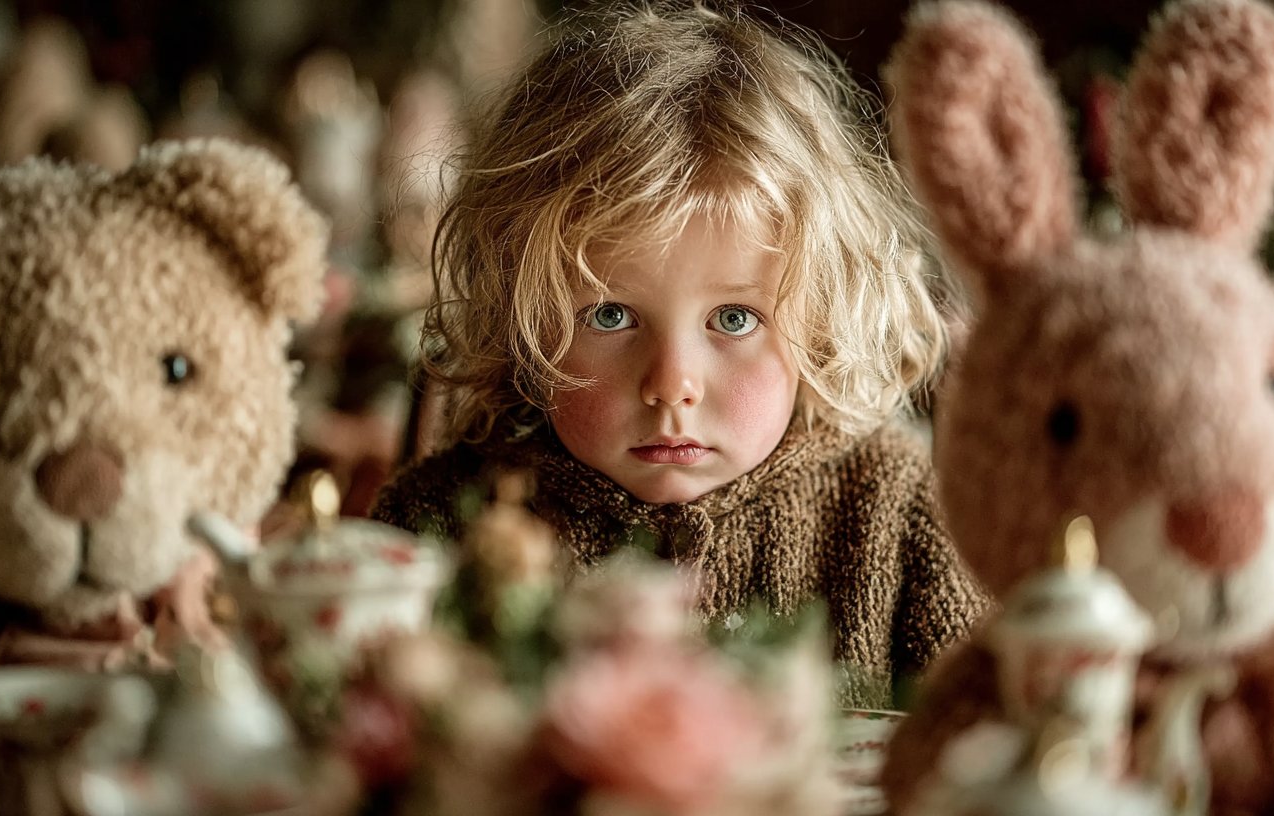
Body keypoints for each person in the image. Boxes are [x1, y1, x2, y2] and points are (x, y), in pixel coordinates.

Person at [372, 1, 989, 706]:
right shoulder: (445, 520)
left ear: (822, 323)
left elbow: (993, 741)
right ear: (522, 319)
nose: (671, 386)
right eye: (610, 314)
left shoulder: (901, 509)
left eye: (733, 317)